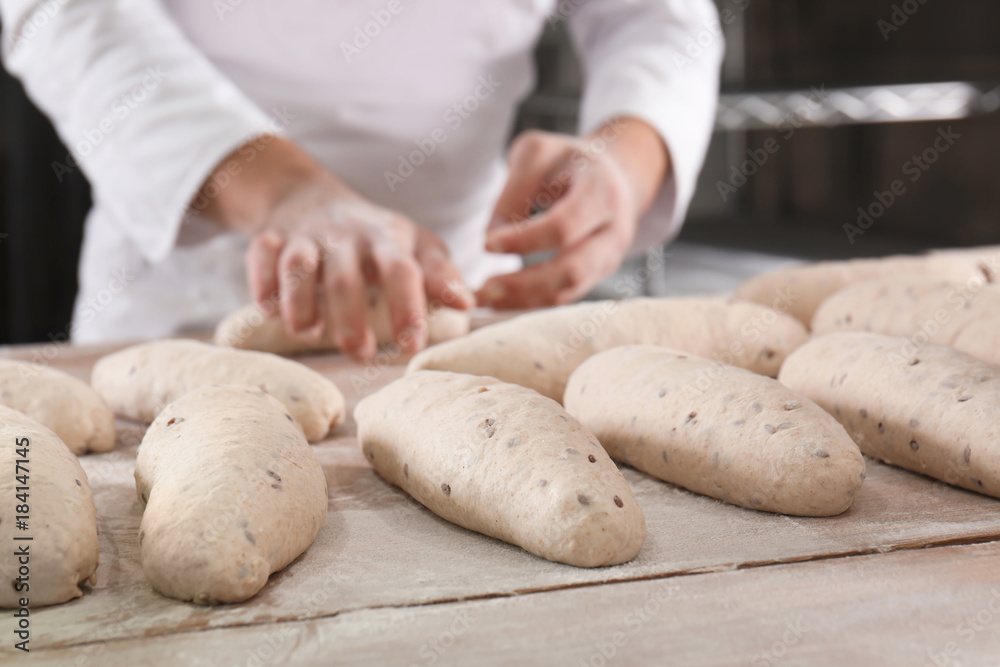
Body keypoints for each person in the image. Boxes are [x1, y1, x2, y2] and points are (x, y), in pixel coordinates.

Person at [1, 0, 722, 359]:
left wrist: (625, 156)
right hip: (181, 309)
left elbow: (656, 15)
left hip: (461, 309)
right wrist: (284, 191)